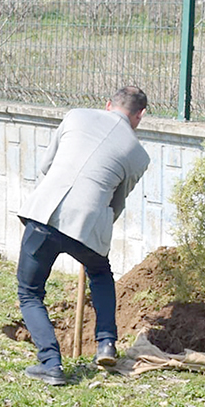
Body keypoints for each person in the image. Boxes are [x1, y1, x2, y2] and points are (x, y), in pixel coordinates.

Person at [15, 85, 151, 386]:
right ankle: (106, 343)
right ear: (139, 115)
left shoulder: (75, 116)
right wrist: (93, 227)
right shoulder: (139, 155)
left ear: (107, 104)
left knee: (30, 292)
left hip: (44, 216)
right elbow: (117, 202)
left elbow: (46, 167)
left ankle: (50, 364)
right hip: (88, 226)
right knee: (101, 274)